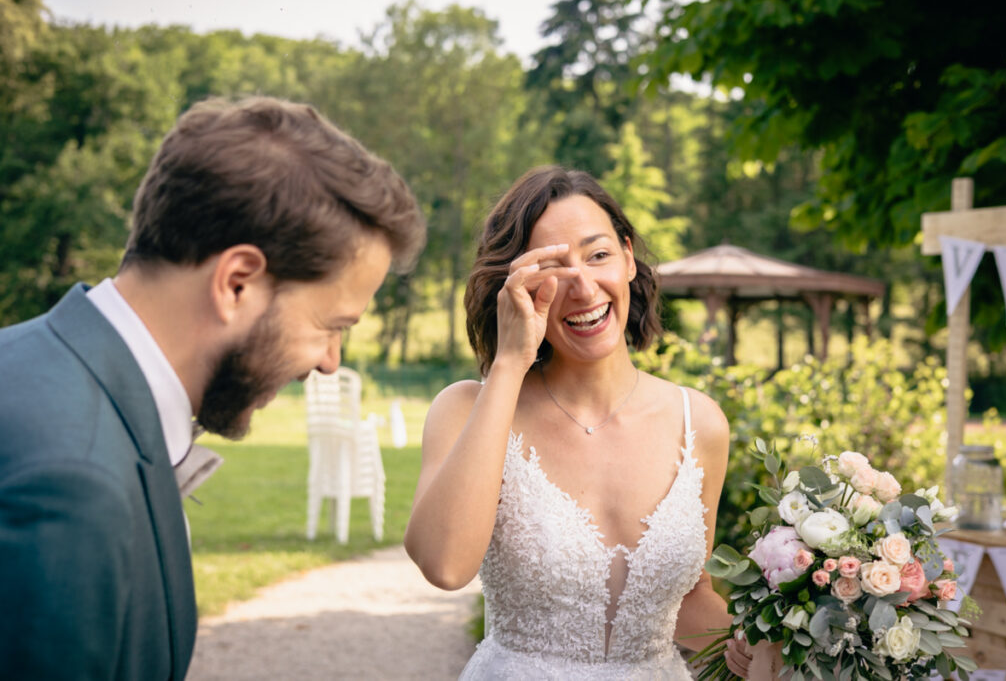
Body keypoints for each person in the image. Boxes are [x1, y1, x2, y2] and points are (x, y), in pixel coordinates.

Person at [0, 96, 425, 680]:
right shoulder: (75, 486)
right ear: (237, 283)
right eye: (332, 326)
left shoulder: (27, 362)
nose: (331, 363)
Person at [405, 166, 752, 678]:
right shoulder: (466, 409)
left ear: (629, 258)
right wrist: (508, 364)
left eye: (598, 255)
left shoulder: (699, 422)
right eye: (552, 268)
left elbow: (689, 596)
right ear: (515, 286)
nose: (584, 288)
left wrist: (754, 640)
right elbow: (446, 565)